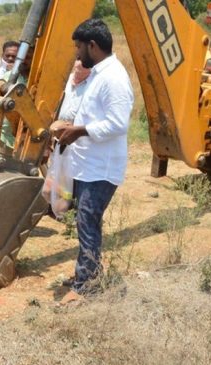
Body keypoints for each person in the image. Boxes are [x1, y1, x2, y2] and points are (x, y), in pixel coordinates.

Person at [52, 19, 134, 299]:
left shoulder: (114, 78)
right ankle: (86, 273)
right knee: (85, 221)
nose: (76, 53)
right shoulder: (99, 73)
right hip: (87, 165)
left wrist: (80, 130)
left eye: (78, 47)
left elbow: (118, 124)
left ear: (92, 46)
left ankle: (86, 287)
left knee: (88, 220)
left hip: (102, 168)